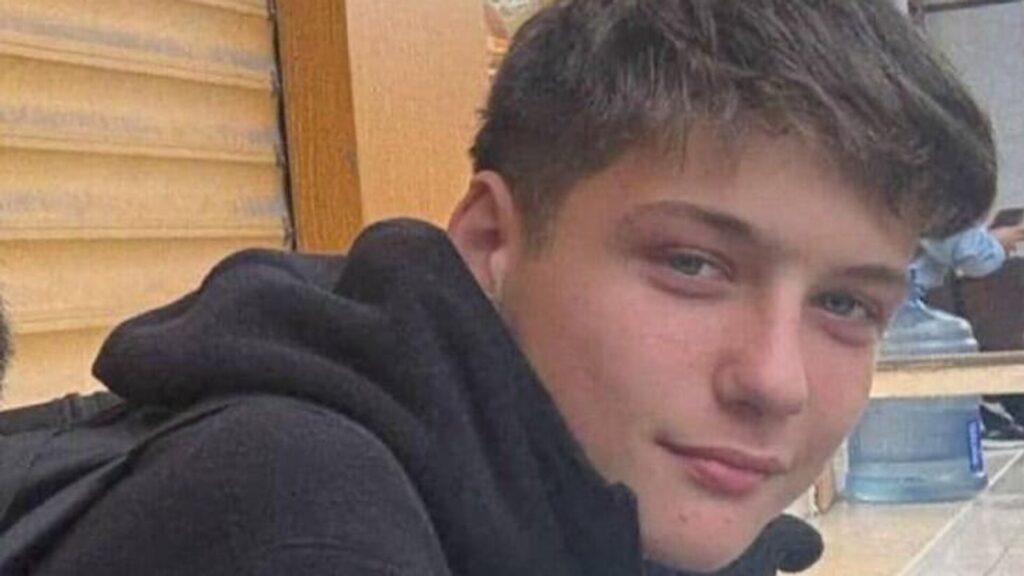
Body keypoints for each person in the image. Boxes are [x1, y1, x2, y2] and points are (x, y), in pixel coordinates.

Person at [1, 1, 997, 574]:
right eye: (692, 265)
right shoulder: (294, 519)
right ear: (490, 241)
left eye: (845, 305)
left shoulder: (629, 520)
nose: (774, 380)